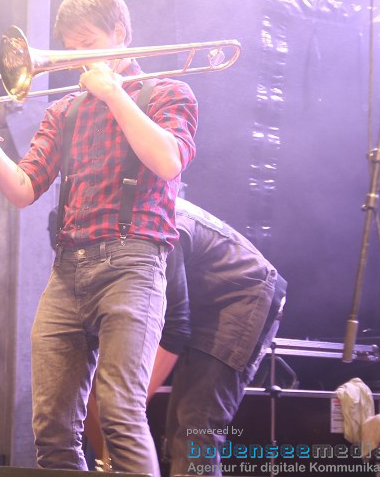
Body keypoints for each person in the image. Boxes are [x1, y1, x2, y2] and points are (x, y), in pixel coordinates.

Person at [0, 0, 198, 477]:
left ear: (121, 35)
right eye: (68, 45)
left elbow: (168, 161)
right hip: (68, 270)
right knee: (50, 424)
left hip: (133, 263)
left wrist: (113, 93)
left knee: (120, 413)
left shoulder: (169, 91)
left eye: (86, 43)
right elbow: (24, 189)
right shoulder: (63, 110)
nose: (73, 57)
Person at [83, 197, 287, 475]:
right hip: (206, 303)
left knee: (196, 425)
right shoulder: (125, 223)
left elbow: (176, 328)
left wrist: (130, 403)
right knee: (180, 427)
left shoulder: (157, 228)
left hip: (243, 297)